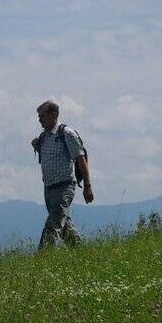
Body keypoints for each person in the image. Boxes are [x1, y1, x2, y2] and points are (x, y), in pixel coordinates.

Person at [32, 100, 93, 250]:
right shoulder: (44, 137)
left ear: (54, 115)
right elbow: (50, 158)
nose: (40, 120)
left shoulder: (67, 134)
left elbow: (81, 159)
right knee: (65, 226)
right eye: (39, 117)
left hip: (64, 187)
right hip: (48, 188)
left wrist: (87, 186)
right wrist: (37, 147)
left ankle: (42, 258)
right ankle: (81, 252)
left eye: (42, 116)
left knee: (52, 226)